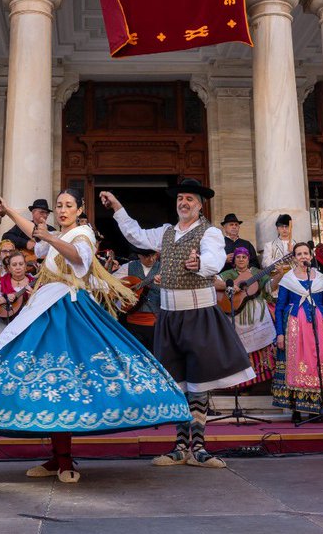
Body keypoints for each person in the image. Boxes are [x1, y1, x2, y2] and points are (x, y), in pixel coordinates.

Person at [0, 191, 189, 483]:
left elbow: (78, 257)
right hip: (44, 310)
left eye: (68, 206)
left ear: (79, 209)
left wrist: (48, 238)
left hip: (69, 312)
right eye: (59, 206)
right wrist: (10, 211)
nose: (62, 210)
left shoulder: (81, 233)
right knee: (45, 383)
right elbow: (34, 231)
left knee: (67, 382)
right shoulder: (57, 237)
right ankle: (57, 457)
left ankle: (64, 458)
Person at [105, 178, 254, 468]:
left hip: (198, 313)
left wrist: (200, 265)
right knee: (178, 383)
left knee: (199, 383)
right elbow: (136, 235)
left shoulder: (209, 232)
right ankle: (179, 447)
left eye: (189, 199)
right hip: (169, 315)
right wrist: (118, 207)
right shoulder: (166, 232)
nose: (183, 203)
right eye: (180, 198)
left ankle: (199, 448)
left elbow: (214, 258)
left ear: (199, 205)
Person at [272, 241, 323, 421]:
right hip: (295, 328)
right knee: (298, 364)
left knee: (319, 363)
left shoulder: (320, 279)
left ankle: (317, 407)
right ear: (295, 258)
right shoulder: (288, 280)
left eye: (306, 253)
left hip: (320, 327)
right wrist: (279, 334)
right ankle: (297, 409)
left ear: (311, 257)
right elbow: (279, 307)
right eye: (299, 254)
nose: (303, 256)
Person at [216, 247, 276, 389]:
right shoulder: (228, 274)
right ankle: (244, 385)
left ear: (248, 259)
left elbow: (269, 287)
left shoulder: (256, 272)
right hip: (237, 315)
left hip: (258, 315)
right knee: (242, 349)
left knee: (266, 345)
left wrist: (278, 275)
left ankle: (264, 382)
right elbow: (212, 283)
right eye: (238, 257)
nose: (241, 259)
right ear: (234, 260)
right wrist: (229, 285)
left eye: (244, 257)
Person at [0, 249, 35, 348]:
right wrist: (4, 298)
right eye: (14, 265)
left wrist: (35, 296)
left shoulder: (35, 283)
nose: (18, 267)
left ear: (26, 266)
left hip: (27, 327)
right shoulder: (1, 282)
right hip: (3, 326)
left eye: (21, 264)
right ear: (9, 268)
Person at [120, 247, 162, 350]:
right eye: (147, 256)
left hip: (156, 322)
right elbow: (112, 286)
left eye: (154, 255)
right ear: (139, 255)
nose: (152, 259)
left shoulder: (164, 268)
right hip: (132, 322)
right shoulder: (128, 267)